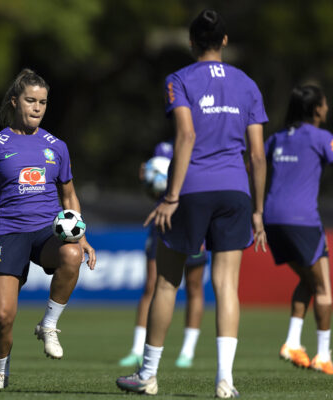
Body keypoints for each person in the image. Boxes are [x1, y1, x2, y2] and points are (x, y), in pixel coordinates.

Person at [116, 9, 268, 398]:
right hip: (236, 191)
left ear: (191, 42)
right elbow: (257, 155)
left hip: (193, 189)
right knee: (227, 286)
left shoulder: (179, 79)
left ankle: (148, 376)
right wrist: (258, 211)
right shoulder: (248, 84)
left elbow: (185, 137)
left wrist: (170, 197)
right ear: (225, 41)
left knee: (167, 282)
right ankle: (225, 381)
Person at [0, 68, 96, 390]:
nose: (38, 107)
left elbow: (69, 196)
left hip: (46, 232)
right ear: (15, 102)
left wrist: (81, 237)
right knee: (2, 317)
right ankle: (0, 373)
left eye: (43, 102)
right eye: (31, 100)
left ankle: (49, 325)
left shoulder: (57, 146)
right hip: (9, 234)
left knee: (71, 254)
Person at [119, 141, 208, 369]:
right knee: (151, 286)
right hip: (161, 225)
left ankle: (187, 351)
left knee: (194, 286)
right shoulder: (159, 153)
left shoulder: (196, 153)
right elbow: (156, 193)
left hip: (191, 225)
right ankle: (137, 349)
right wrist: (146, 181)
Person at [263, 85, 333, 375]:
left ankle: (292, 342)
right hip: (302, 220)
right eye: (325, 104)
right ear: (317, 109)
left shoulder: (276, 138)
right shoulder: (322, 138)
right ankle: (324, 355)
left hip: (272, 220)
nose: (327, 109)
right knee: (325, 289)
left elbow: (253, 165)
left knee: (308, 279)